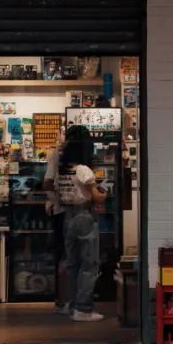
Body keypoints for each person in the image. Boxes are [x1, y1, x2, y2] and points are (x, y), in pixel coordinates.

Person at [56, 125, 107, 322]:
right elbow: (96, 196)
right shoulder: (83, 170)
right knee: (89, 265)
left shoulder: (63, 169)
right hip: (84, 216)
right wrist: (103, 193)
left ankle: (71, 305)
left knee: (73, 264)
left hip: (67, 217)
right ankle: (83, 309)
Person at [42, 130, 68, 314]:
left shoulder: (57, 154)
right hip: (64, 213)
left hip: (61, 212)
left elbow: (47, 183)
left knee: (65, 256)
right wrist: (58, 198)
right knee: (67, 256)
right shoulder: (58, 154)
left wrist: (54, 199)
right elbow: (47, 183)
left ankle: (64, 299)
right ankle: (64, 299)